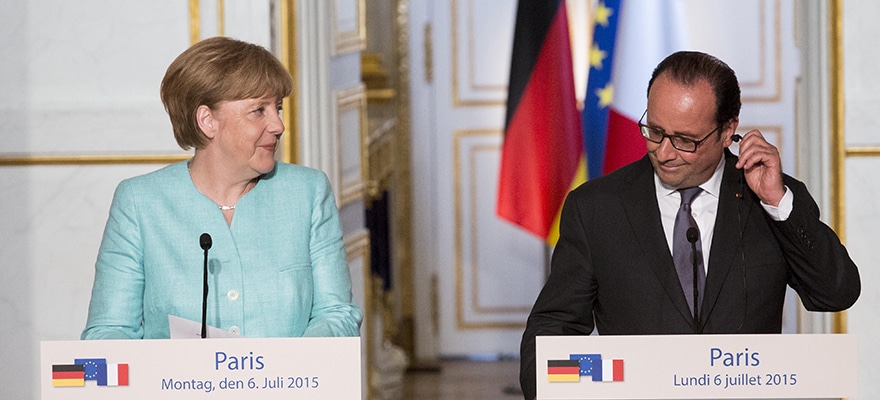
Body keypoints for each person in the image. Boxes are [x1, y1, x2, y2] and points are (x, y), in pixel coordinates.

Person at [519, 51, 860, 399]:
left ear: (727, 131)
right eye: (655, 131)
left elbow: (836, 293)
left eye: (685, 140)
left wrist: (778, 205)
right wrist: (587, 381)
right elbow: (552, 330)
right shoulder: (596, 208)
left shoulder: (771, 199)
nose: (664, 153)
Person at [81, 36, 362, 340]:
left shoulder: (307, 193)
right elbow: (108, 332)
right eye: (259, 110)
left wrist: (289, 363)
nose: (278, 125)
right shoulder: (140, 203)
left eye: (277, 108)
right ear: (207, 121)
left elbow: (337, 313)